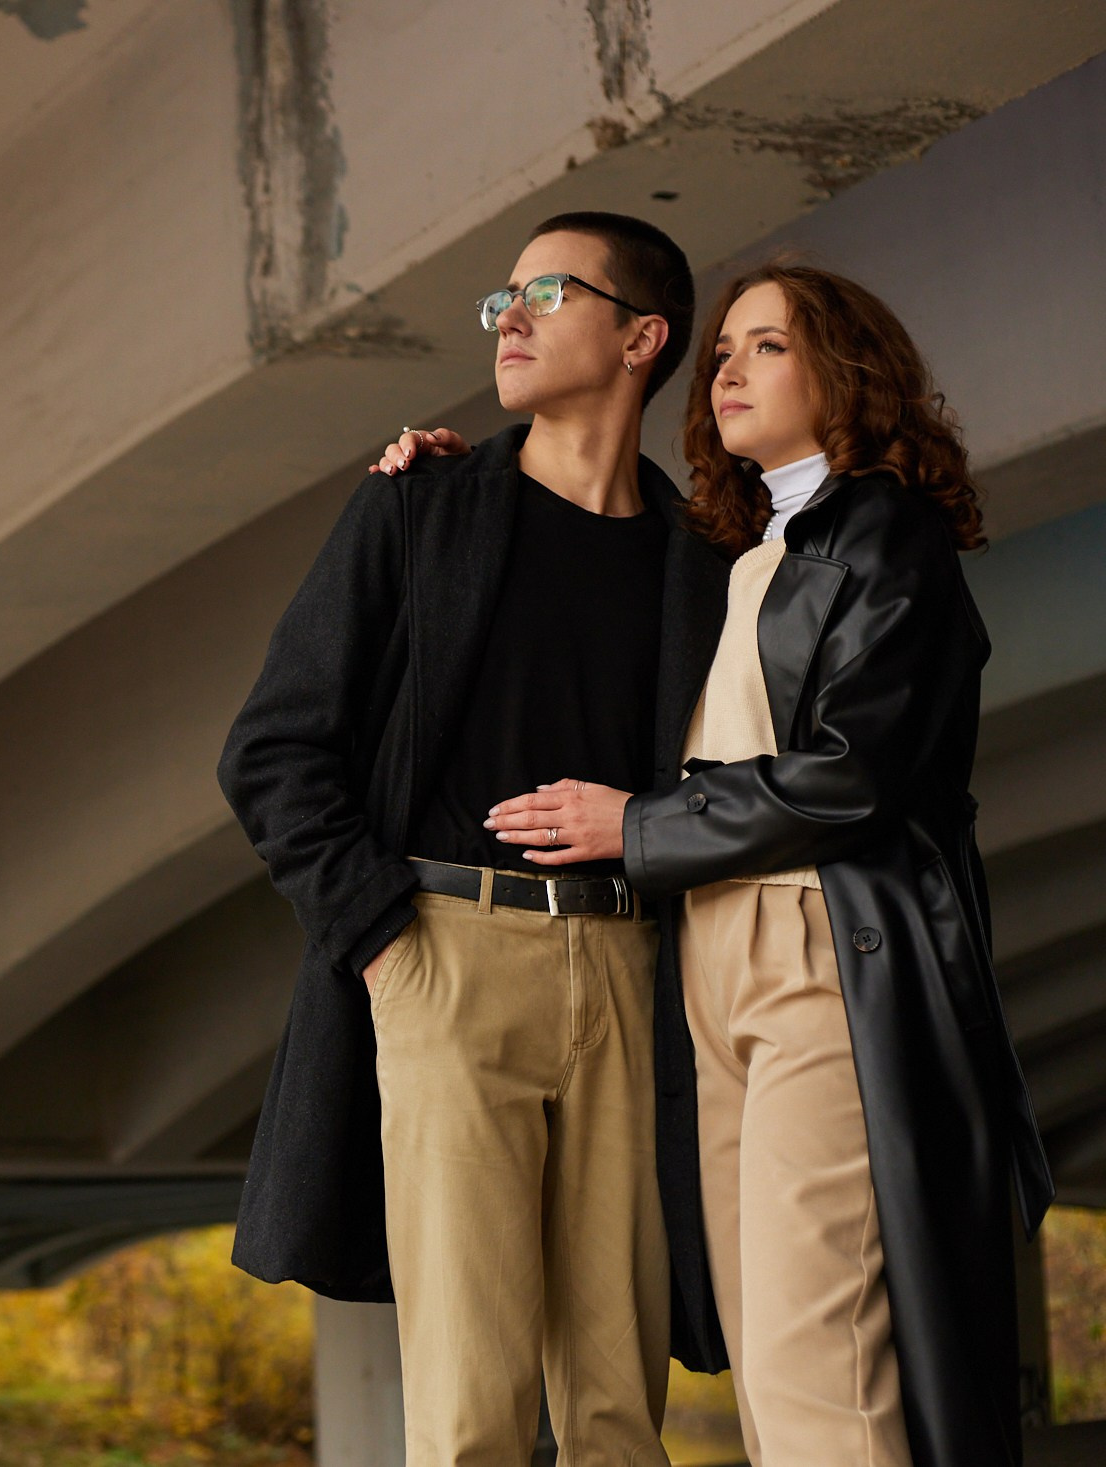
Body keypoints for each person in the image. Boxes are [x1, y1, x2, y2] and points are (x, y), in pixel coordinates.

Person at [383, 262, 1053, 1466]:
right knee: (767, 1359)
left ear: (844, 374)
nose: (729, 371)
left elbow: (852, 773)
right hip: (709, 958)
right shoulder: (745, 551)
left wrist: (633, 829)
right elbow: (574, 540)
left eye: (769, 348)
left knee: (820, 1362)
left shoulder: (882, 532)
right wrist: (453, 475)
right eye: (724, 353)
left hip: (818, 954)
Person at [218, 212, 720, 1466]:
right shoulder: (417, 510)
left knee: (618, 1406)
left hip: (630, 971)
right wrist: (385, 940)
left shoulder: (699, 564)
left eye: (549, 291)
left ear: (641, 339)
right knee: (471, 1408)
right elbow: (272, 751)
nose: (511, 314)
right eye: (502, 297)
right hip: (445, 956)